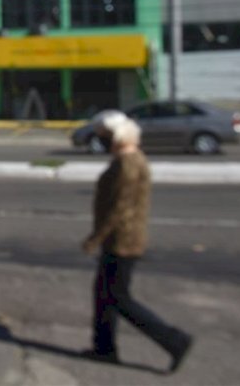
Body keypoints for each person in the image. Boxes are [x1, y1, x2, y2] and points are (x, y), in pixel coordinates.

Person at [81, 110, 193, 372]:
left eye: (104, 136)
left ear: (116, 136)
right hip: (119, 239)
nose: (101, 140)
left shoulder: (128, 164)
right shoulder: (126, 158)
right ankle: (104, 348)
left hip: (123, 241)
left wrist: (94, 239)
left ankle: (175, 341)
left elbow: (119, 209)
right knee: (103, 295)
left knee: (118, 298)